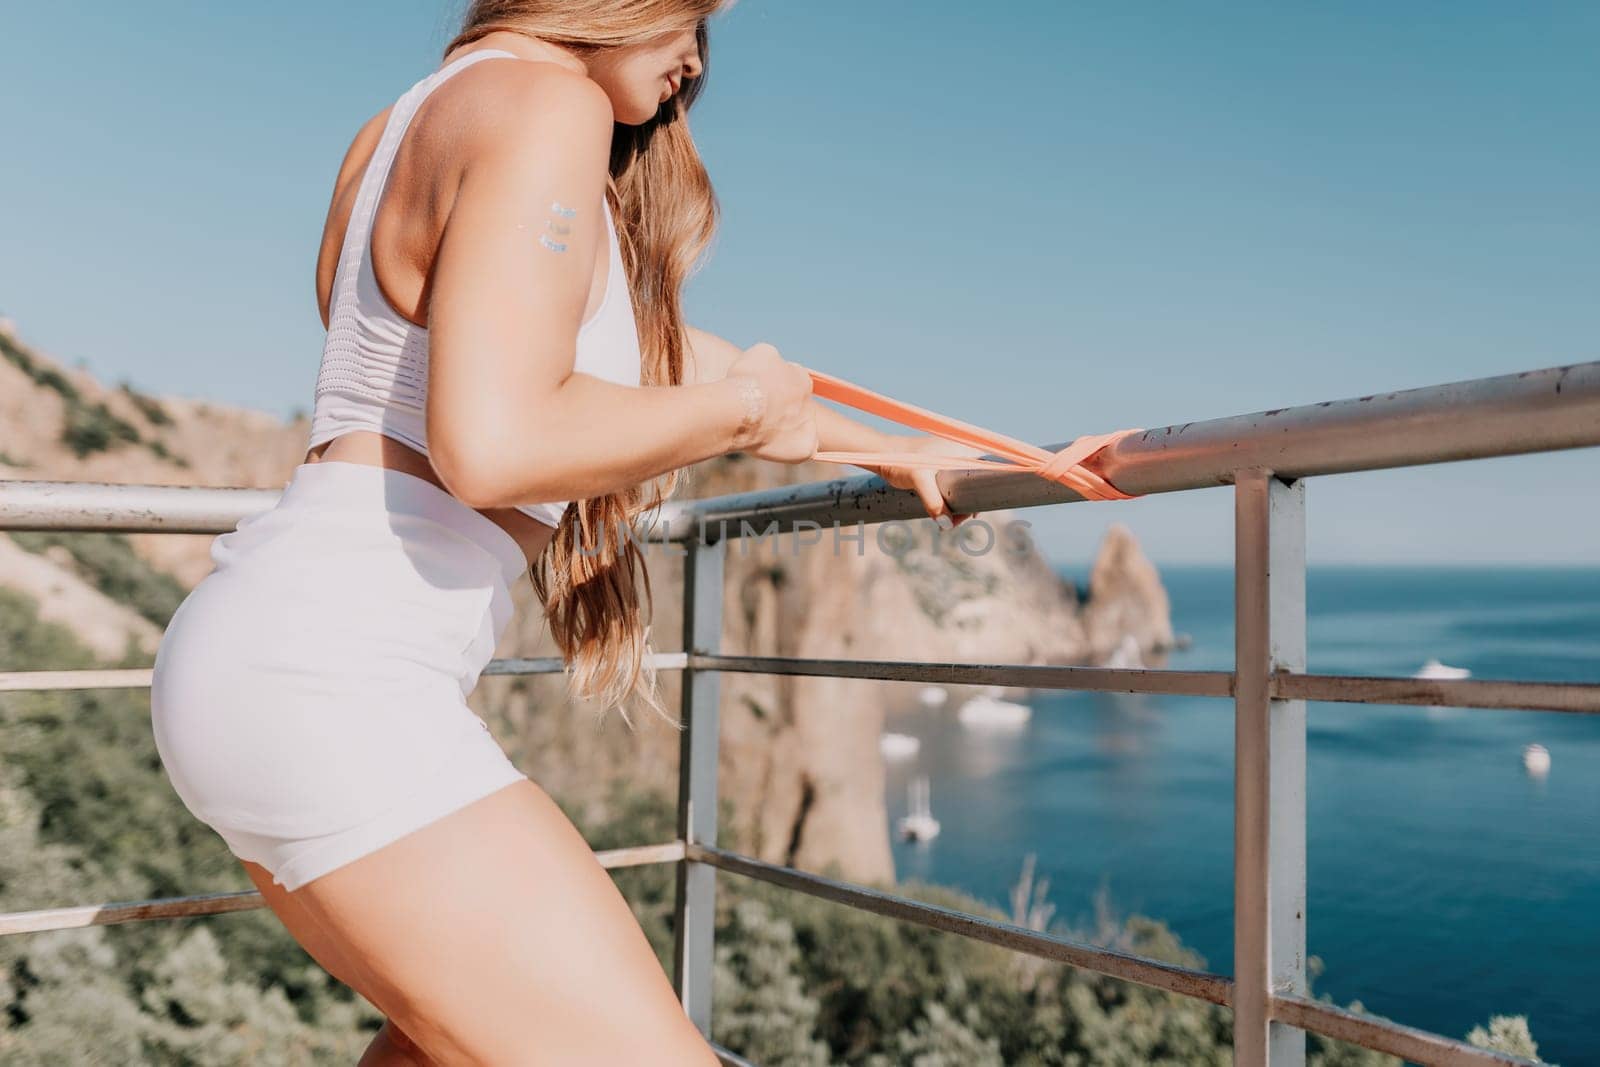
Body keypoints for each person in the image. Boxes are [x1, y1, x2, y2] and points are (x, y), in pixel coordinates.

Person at [150, 2, 971, 1063]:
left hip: (270, 656)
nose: (698, 60)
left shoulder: (405, 120)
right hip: (332, 683)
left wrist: (928, 451)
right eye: (694, 16)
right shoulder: (551, 104)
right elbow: (492, 444)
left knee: (441, 1047)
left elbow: (683, 365)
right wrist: (741, 417)